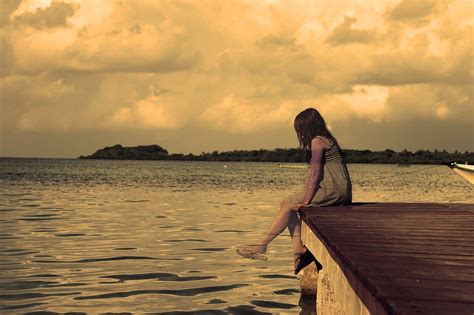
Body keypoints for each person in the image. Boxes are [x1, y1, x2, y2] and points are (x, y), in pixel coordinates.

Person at [236, 107, 352, 274]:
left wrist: (305, 201)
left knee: (290, 206)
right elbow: (313, 176)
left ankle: (262, 244)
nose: (300, 134)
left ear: (307, 127)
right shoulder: (324, 139)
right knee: (286, 202)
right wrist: (303, 195)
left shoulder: (317, 141)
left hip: (334, 191)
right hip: (333, 189)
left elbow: (315, 173)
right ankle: (297, 248)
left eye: (300, 129)